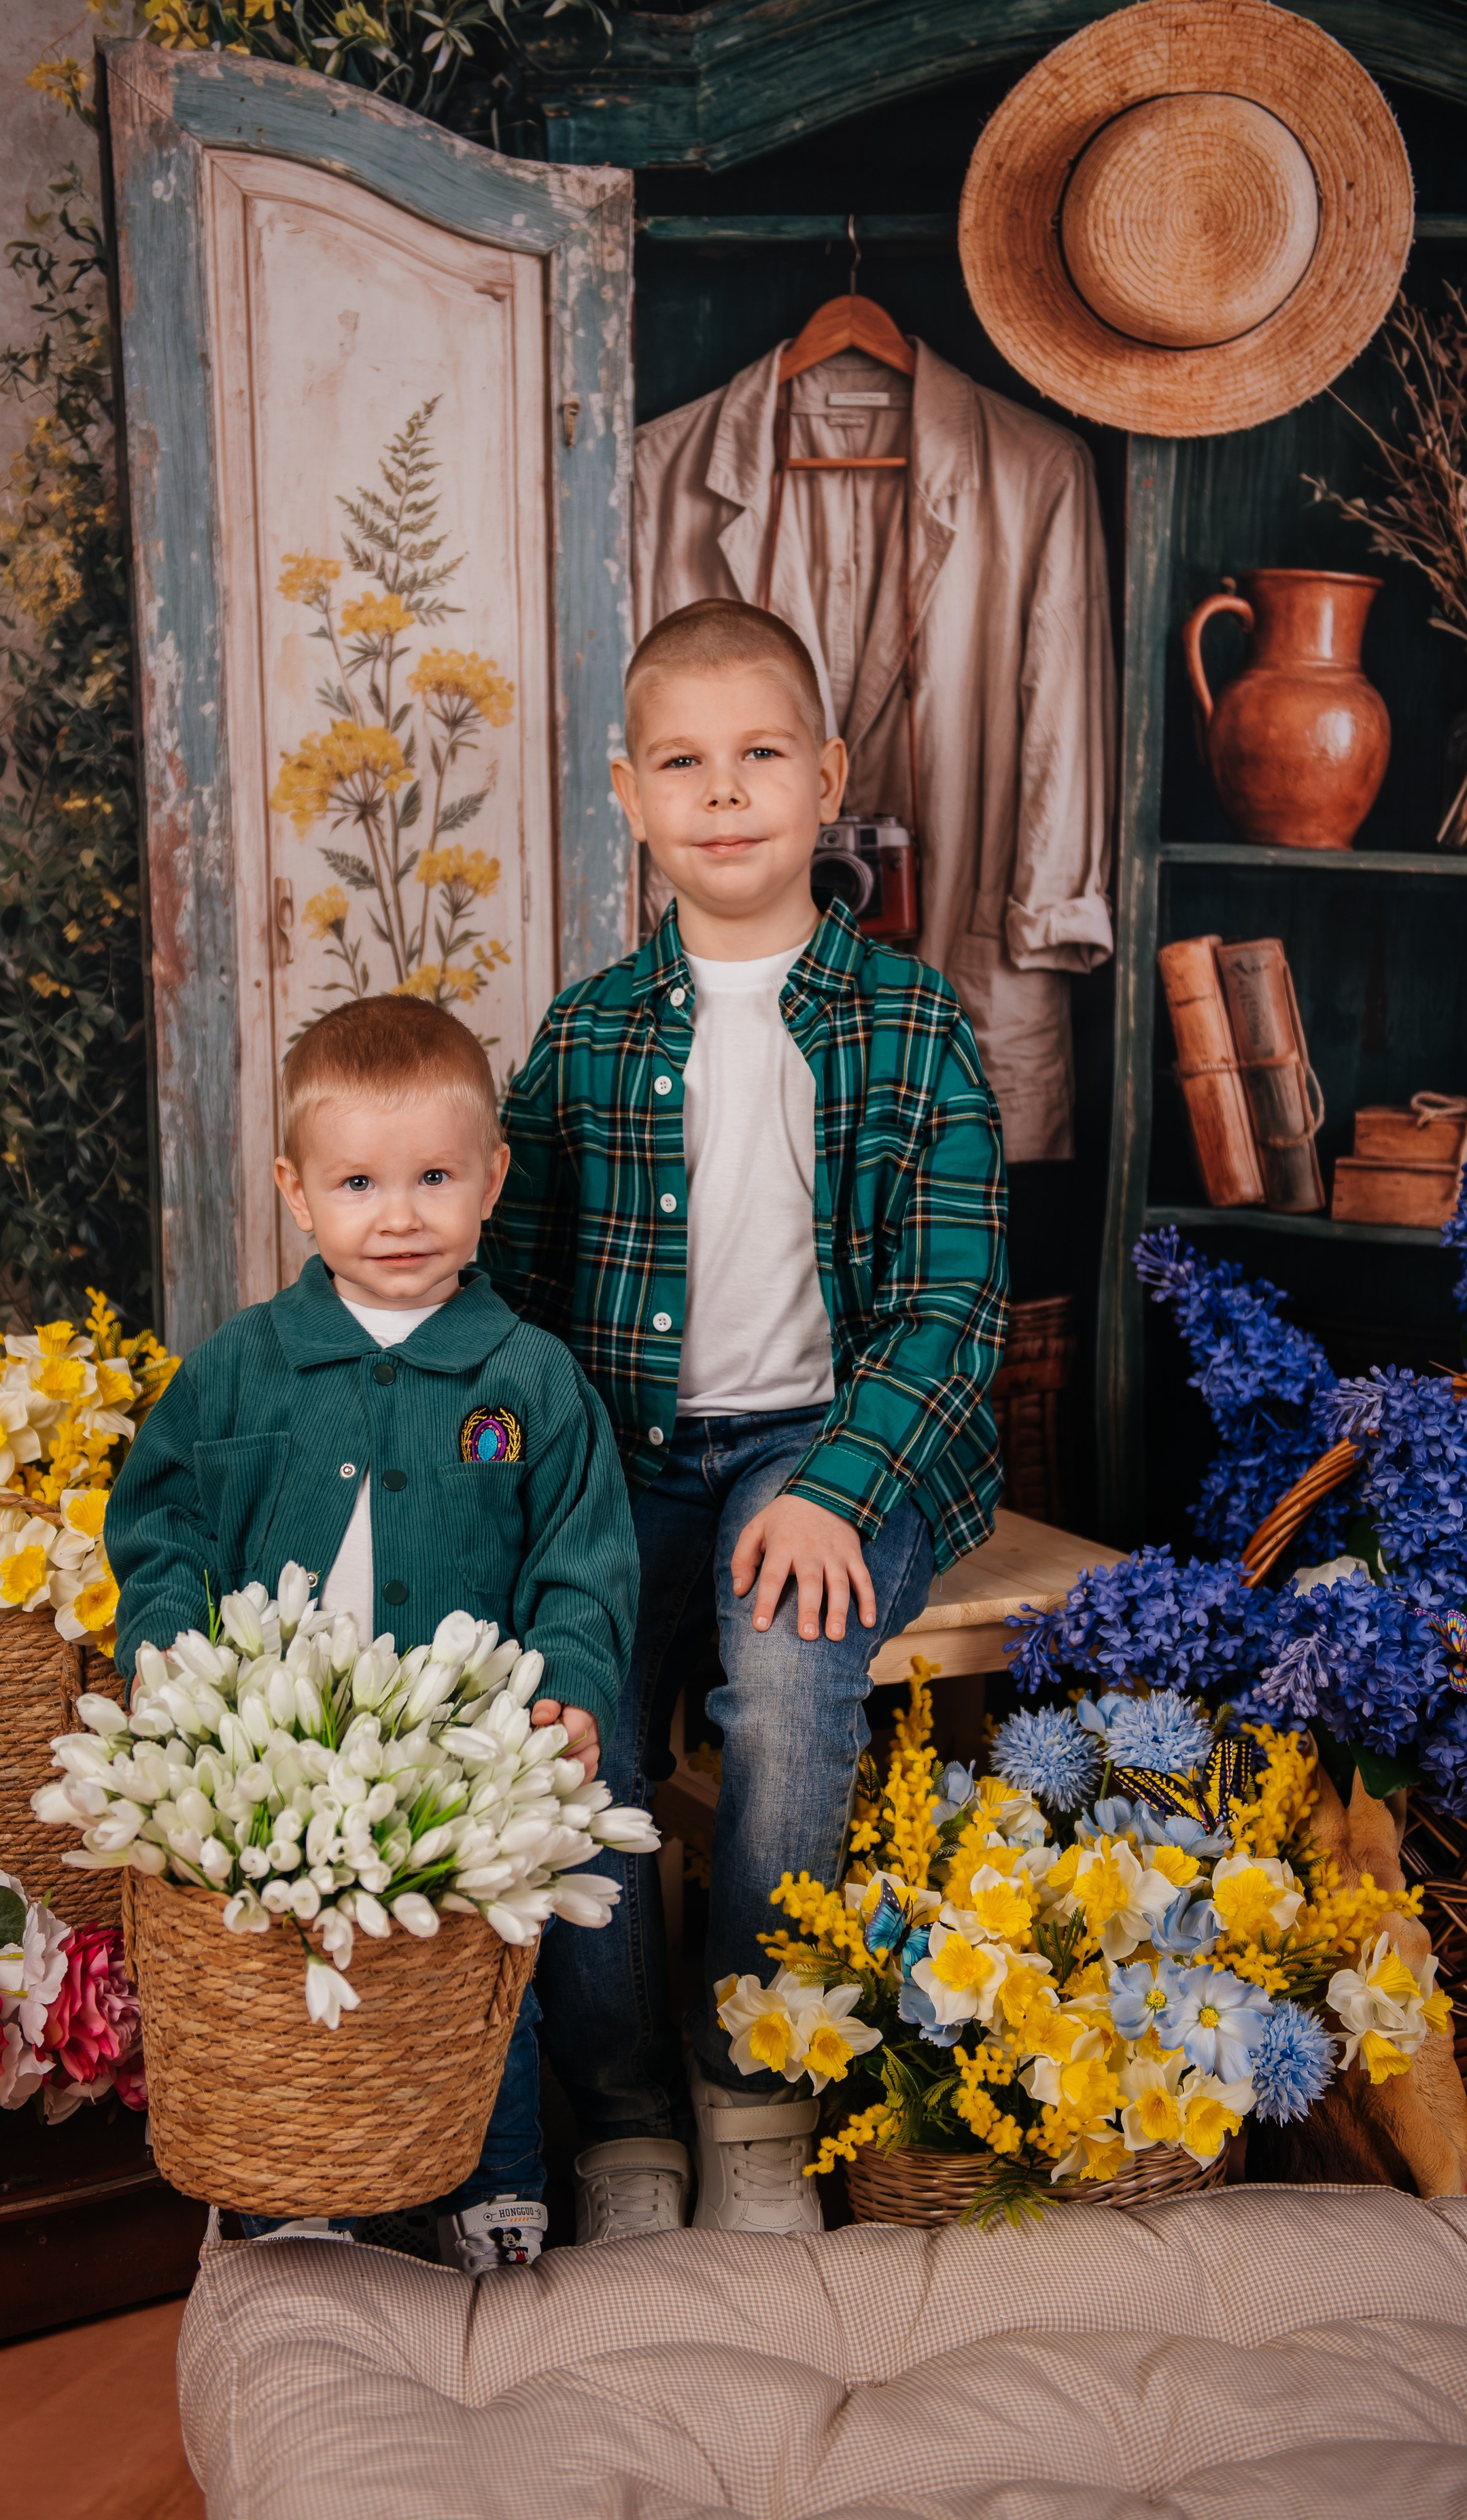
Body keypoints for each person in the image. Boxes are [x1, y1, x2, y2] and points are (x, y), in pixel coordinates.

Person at [481, 596, 1008, 2241]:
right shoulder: (585, 1035)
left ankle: (755, 2079)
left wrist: (843, 1486)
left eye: (760, 755)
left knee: (782, 1670)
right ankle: (624, 2109)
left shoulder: (910, 1025)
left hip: (834, 1438)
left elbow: (954, 1308)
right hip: (630, 1453)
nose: (723, 795)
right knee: (578, 1717)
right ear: (629, 796)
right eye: (684, 764)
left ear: (827, 777)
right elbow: (509, 1293)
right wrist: (514, 1491)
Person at [105, 996, 639, 2275]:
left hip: (460, 1749)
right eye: (358, 1182)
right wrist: (168, 1643)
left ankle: (495, 2177)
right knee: (301, 1968)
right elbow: (161, 1520)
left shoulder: (528, 1379)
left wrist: (568, 1679)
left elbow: (584, 1554)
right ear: (296, 1191)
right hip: (277, 1745)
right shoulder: (241, 1367)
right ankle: (306, 2179)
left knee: (472, 1981)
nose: (398, 1216)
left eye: (435, 1178)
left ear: (492, 1180)